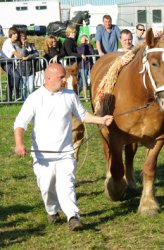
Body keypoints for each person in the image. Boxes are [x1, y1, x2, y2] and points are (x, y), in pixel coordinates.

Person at [13, 63, 114, 231]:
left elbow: (83, 115)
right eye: (61, 78)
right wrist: (19, 143)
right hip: (42, 156)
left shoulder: (70, 95)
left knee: (66, 184)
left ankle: (73, 217)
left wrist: (101, 120)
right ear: (48, 78)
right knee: (46, 186)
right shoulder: (35, 98)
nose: (64, 81)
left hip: (66, 152)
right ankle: (52, 210)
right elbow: (20, 123)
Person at [14, 31, 39, 100]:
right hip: (21, 69)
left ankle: (30, 99)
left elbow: (37, 54)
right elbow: (22, 54)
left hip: (31, 69)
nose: (23, 38)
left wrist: (28, 57)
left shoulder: (31, 45)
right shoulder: (17, 46)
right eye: (21, 37)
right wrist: (24, 46)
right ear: (19, 38)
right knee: (23, 87)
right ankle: (24, 100)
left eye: (24, 37)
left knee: (31, 88)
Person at [1, 26, 22, 101]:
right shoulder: (8, 41)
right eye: (14, 33)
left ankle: (8, 100)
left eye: (17, 34)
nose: (16, 35)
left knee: (10, 81)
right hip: (6, 62)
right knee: (17, 76)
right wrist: (23, 57)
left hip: (9, 62)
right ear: (11, 34)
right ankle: (16, 95)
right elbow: (15, 53)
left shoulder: (12, 42)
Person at [77, 34, 94, 101]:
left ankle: (91, 95)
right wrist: (83, 44)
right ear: (81, 40)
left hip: (89, 65)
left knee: (91, 81)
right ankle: (85, 97)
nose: (85, 40)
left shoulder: (90, 46)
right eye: (83, 39)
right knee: (84, 82)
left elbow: (92, 53)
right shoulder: (79, 47)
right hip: (82, 66)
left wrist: (89, 44)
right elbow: (82, 52)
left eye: (85, 39)